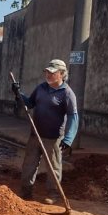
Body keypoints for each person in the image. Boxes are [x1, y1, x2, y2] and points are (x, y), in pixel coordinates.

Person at [13, 58, 78, 204]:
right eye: (47, 72)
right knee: (29, 164)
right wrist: (18, 94)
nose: (48, 75)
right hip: (35, 134)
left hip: (53, 138)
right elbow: (29, 103)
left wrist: (68, 139)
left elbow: (73, 117)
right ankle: (25, 192)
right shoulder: (41, 88)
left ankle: (53, 195)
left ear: (61, 74)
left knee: (53, 167)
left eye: (52, 72)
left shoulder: (67, 93)